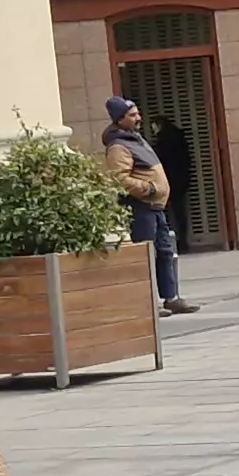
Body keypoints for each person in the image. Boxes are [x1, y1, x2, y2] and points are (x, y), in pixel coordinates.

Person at [98, 98, 198, 315]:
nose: (138, 118)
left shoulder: (135, 139)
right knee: (146, 254)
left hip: (155, 207)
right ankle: (149, 303)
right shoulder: (118, 146)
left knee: (165, 251)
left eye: (137, 113)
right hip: (141, 207)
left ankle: (171, 298)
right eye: (132, 115)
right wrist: (149, 189)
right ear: (120, 119)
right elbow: (119, 178)